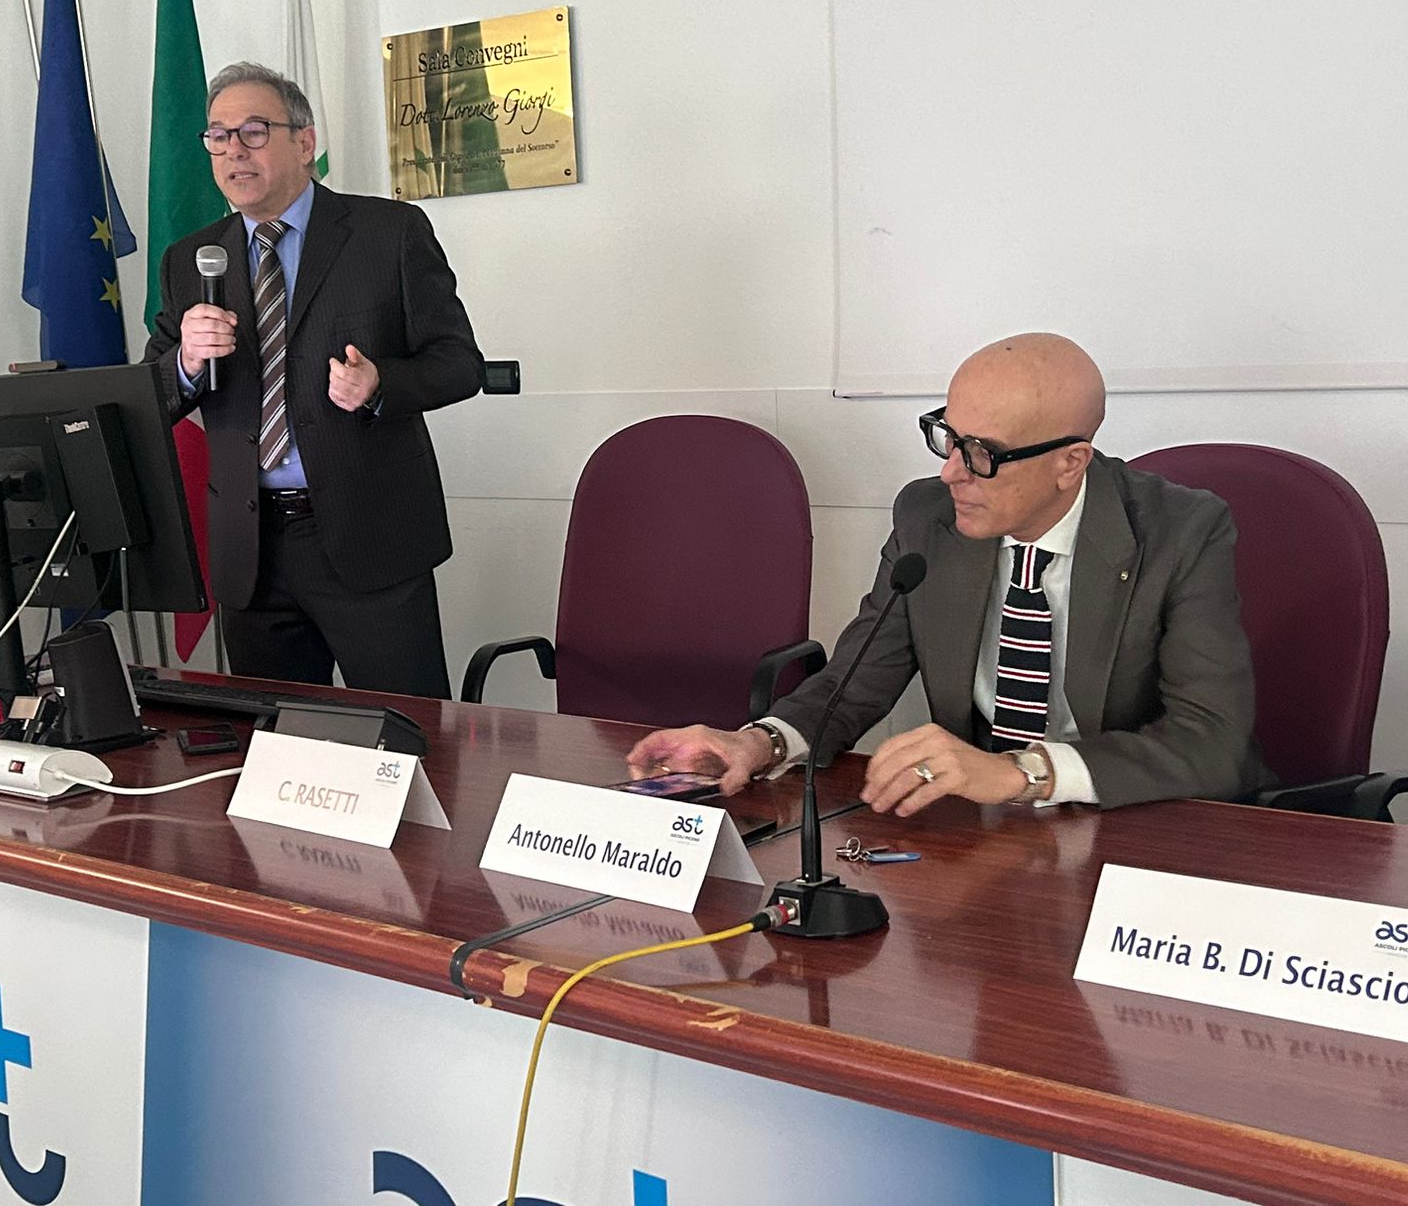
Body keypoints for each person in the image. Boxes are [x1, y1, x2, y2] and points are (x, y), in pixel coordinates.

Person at [627, 333, 1267, 811]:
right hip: (980, 831)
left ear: (1070, 463)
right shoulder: (928, 518)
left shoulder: (1182, 531)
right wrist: (758, 743)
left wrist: (1024, 773)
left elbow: (1210, 741)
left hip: (1131, 823)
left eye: (982, 453)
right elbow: (855, 679)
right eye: (947, 437)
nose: (951, 472)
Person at [144, 62, 483, 696]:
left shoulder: (388, 234)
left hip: (369, 537)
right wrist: (185, 362)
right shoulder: (190, 259)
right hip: (251, 548)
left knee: (407, 732)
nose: (233, 151)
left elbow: (459, 363)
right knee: (274, 738)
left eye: (253, 131)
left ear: (304, 142)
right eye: (218, 135)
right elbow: (150, 396)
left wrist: (380, 385)